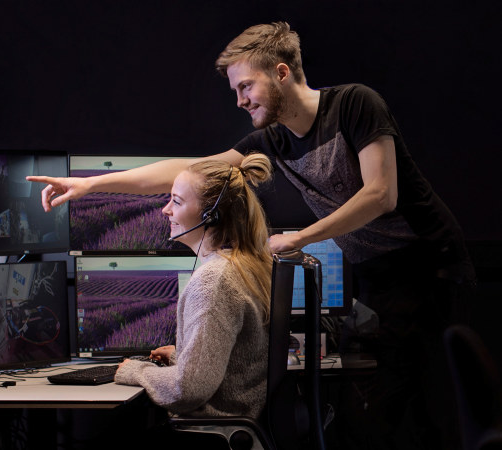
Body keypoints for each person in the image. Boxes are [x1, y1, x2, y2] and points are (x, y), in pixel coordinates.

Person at [27, 22, 475, 450]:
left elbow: (382, 194)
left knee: (423, 408)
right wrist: (90, 185)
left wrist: (298, 239)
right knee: (373, 416)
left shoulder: (355, 106)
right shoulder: (274, 140)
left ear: (281, 73)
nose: (240, 101)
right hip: (377, 275)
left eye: (246, 87)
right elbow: (191, 171)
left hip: (430, 266)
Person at [114, 154, 274, 419]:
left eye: (176, 201)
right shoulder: (247, 265)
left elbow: (188, 390)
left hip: (209, 433)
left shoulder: (215, 280)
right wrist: (183, 359)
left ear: (210, 216)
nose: (166, 210)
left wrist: (134, 371)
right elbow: (237, 365)